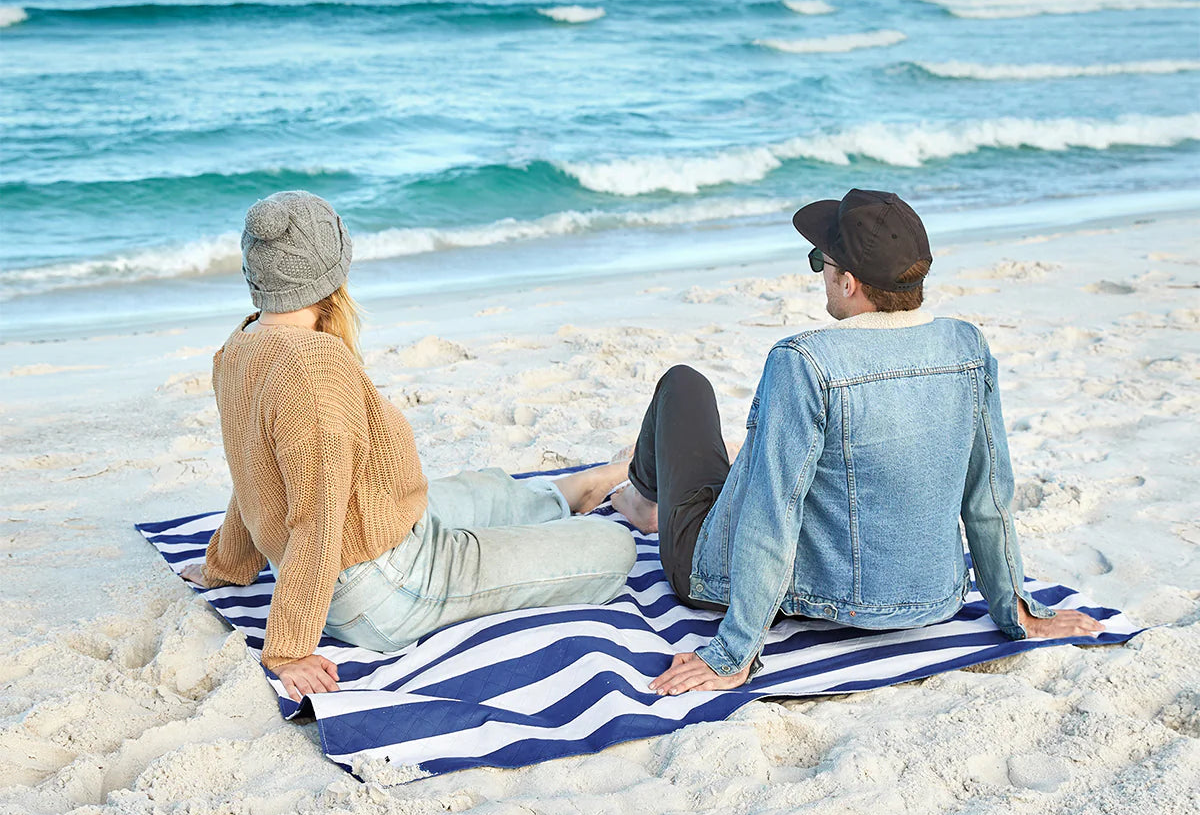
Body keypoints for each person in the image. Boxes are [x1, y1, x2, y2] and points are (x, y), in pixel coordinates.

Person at [612, 188, 1103, 696]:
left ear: (848, 283)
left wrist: (734, 653)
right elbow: (989, 493)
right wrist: (1016, 609)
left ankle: (642, 500)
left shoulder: (804, 361)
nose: (820, 275)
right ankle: (644, 492)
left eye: (819, 262)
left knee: (684, 384)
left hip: (789, 593)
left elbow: (771, 510)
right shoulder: (967, 347)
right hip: (930, 601)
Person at [180, 190, 635, 702]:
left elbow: (254, 474)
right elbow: (316, 515)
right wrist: (288, 649)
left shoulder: (239, 347)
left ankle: (583, 487)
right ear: (331, 273)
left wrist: (227, 566)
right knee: (614, 548)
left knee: (487, 488)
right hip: (382, 587)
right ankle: (599, 508)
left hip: (383, 529)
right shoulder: (313, 370)